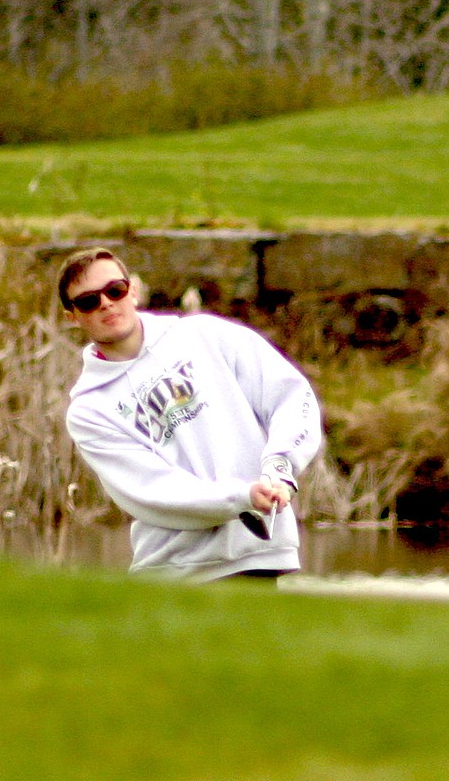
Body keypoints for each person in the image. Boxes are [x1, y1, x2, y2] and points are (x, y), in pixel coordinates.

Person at [58, 246, 322, 583]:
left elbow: (291, 396)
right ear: (72, 317)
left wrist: (280, 468)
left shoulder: (206, 335)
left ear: (133, 291)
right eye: (88, 301)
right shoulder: (88, 410)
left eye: (115, 290)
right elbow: (153, 491)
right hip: (175, 572)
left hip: (257, 554)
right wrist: (242, 496)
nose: (106, 303)